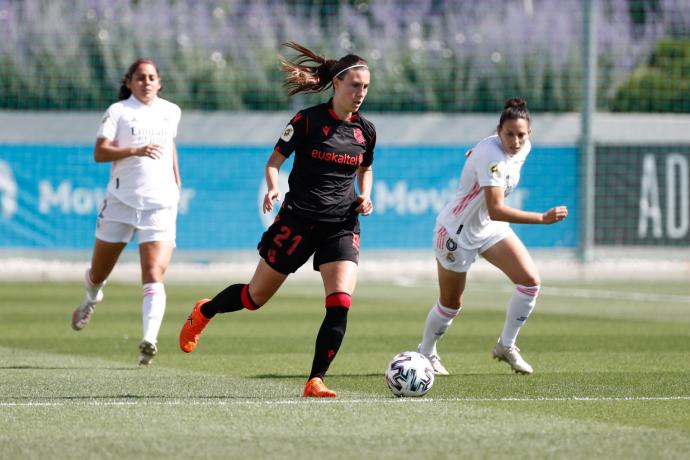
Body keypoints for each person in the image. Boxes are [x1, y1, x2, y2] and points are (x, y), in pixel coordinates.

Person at [178, 42, 376, 398]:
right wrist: (272, 188)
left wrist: (366, 195)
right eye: (354, 86)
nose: (360, 93)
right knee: (254, 298)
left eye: (365, 87)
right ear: (336, 84)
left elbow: (366, 168)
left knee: (341, 301)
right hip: (297, 221)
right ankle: (205, 310)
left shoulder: (366, 131)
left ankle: (315, 379)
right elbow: (274, 162)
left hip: (341, 224)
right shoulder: (307, 120)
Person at [417, 97, 568, 375]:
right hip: (456, 232)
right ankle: (425, 351)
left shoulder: (523, 148)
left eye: (521, 134)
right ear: (499, 131)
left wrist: (477, 152)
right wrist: (542, 219)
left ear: (529, 133)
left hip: (486, 228)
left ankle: (506, 346)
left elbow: (492, 213)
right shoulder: (492, 156)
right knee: (451, 303)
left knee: (530, 282)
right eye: (509, 134)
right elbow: (496, 209)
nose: (515, 141)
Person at [71, 58, 182, 367]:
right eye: (140, 77)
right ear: (130, 82)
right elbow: (99, 152)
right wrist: (134, 150)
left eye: (151, 77)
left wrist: (177, 179)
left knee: (154, 273)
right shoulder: (118, 112)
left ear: (159, 82)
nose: (146, 82)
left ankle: (149, 340)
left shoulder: (171, 111)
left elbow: (169, 145)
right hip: (120, 203)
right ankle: (92, 297)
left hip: (159, 204)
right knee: (98, 273)